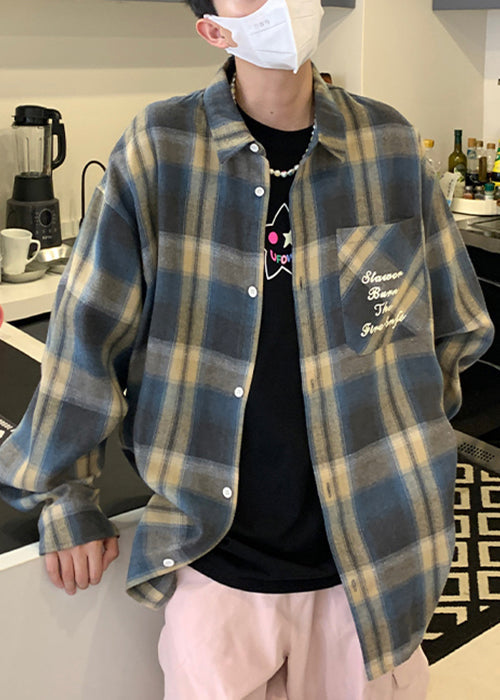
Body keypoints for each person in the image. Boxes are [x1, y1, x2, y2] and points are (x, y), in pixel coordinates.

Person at [0, 0, 494, 698]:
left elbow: (454, 326)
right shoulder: (160, 148)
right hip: (216, 563)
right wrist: (65, 493)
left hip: (372, 563)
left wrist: (412, 449)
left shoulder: (388, 143)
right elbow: (86, 338)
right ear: (214, 29)